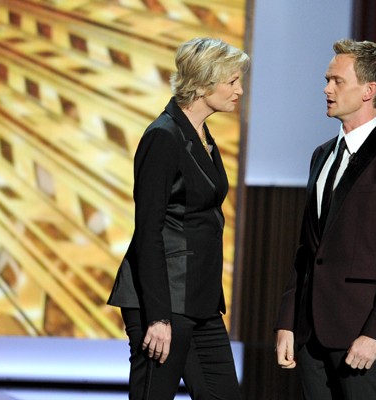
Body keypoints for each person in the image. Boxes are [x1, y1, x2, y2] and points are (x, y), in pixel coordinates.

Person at [275, 39, 376, 399]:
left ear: (368, 91)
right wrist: (288, 321)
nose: (326, 89)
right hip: (310, 335)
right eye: (327, 80)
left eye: (337, 81)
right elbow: (307, 249)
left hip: (361, 335)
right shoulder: (321, 156)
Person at [108, 38, 249, 399]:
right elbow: (148, 232)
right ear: (203, 84)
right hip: (164, 299)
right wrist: (159, 316)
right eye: (232, 82)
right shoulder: (164, 136)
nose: (240, 90)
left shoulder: (200, 135)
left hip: (200, 298)